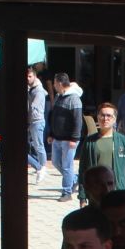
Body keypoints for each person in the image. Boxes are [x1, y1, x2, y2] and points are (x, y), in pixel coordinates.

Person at [77, 103, 125, 205]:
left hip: (118, 194)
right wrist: (82, 197)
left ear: (114, 119)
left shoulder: (123, 141)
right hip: (95, 194)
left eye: (109, 116)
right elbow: (83, 170)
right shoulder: (89, 142)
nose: (105, 118)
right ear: (98, 117)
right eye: (102, 115)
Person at [46, 73, 83, 201]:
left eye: (55, 83)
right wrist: (51, 134)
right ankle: (75, 179)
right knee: (55, 162)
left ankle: (67, 192)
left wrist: (74, 138)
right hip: (57, 137)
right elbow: (54, 117)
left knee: (67, 166)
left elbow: (78, 121)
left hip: (69, 139)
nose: (54, 86)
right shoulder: (59, 96)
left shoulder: (74, 99)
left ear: (60, 84)